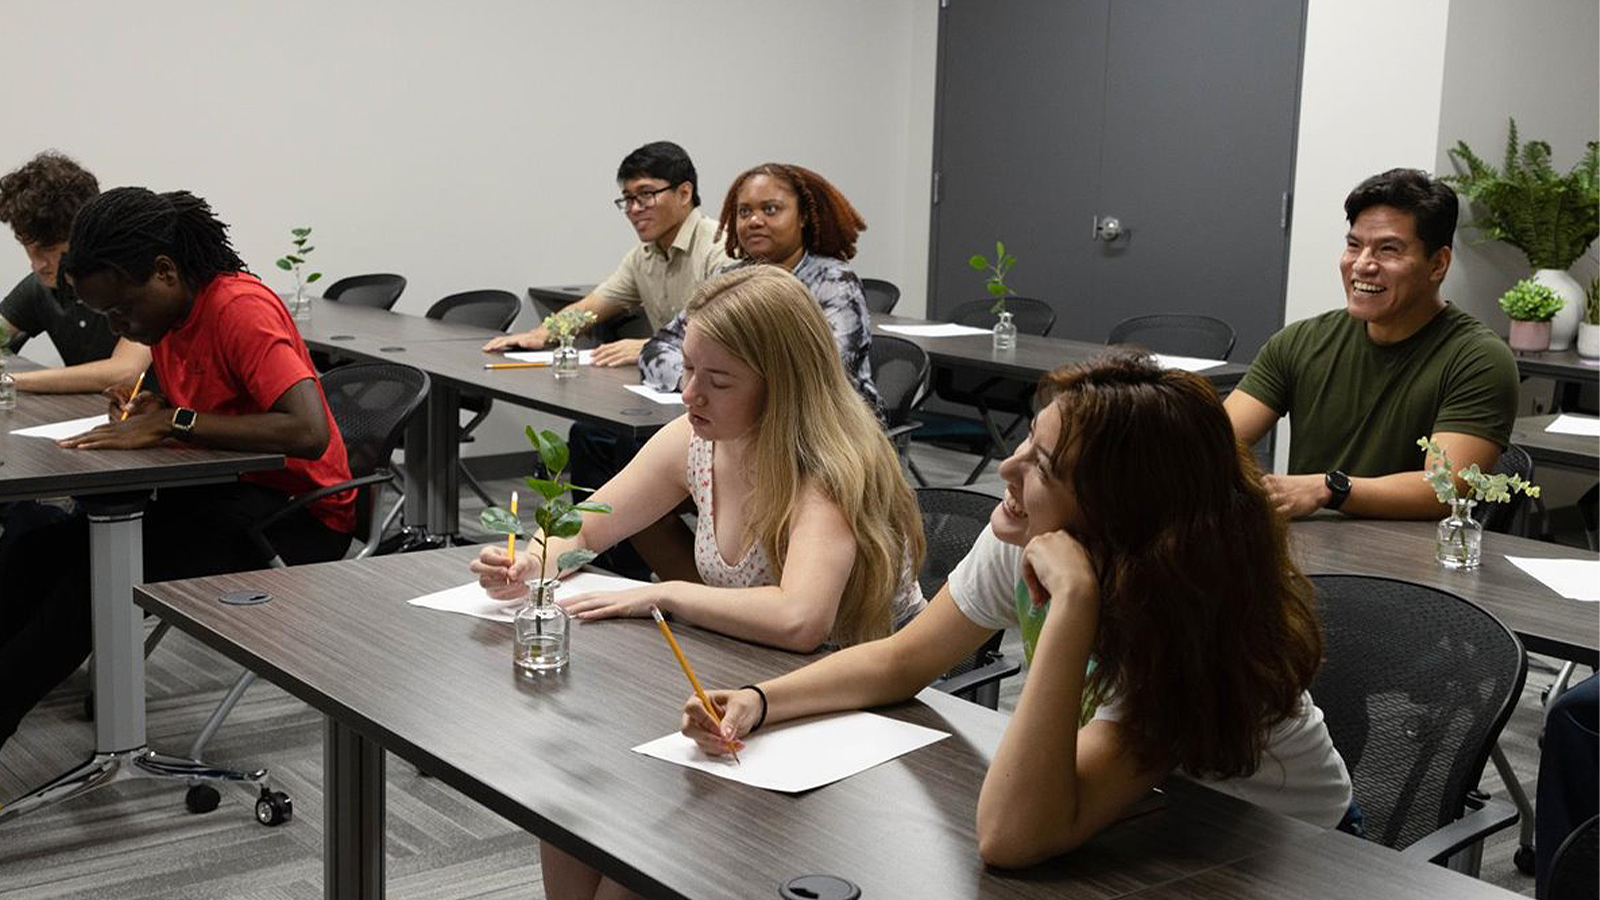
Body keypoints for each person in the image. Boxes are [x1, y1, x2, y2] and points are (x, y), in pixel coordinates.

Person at [683, 354, 1353, 870]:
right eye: (1027, 442)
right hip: (1156, 820)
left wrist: (1073, 607)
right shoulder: (1033, 527)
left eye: (1043, 465)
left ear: (1116, 508)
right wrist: (757, 702)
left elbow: (1011, 837)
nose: (1007, 468)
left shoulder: (1184, 627)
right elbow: (902, 658)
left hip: (1288, 859)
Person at [472, 265, 925, 900]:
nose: (690, 394)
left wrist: (665, 592)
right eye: (686, 369)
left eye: (717, 381)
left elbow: (802, 620)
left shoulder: (825, 464)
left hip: (851, 706)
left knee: (639, 850)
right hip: (746, 677)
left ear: (782, 386)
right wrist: (529, 561)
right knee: (569, 806)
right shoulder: (699, 438)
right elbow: (585, 527)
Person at [0, 187, 356, 749]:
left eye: (121, 310)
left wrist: (175, 423)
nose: (121, 326)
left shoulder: (240, 308)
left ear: (164, 271)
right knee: (33, 554)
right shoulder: (167, 318)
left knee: (89, 581)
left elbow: (308, 432)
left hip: (296, 514)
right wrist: (153, 406)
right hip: (223, 490)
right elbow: (202, 402)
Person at [1226, 168, 1518, 519]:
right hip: (1307, 551)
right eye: (1354, 245)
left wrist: (1328, 488)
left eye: (1388, 250)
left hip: (1406, 562)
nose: (1362, 265)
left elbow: (1445, 489)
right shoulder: (1300, 342)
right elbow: (1214, 445)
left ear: (1438, 264)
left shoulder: (1478, 358)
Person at [639, 162, 882, 415]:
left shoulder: (834, 283)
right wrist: (697, 382)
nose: (754, 221)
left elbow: (827, 376)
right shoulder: (730, 278)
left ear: (803, 217)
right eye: (744, 212)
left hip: (832, 429)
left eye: (770, 209)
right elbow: (656, 349)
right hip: (739, 422)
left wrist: (727, 386)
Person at [484, 141, 728, 367]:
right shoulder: (641, 257)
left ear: (684, 194)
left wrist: (649, 346)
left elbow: (722, 333)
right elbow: (591, 307)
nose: (634, 209)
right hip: (669, 380)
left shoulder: (720, 247)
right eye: (628, 199)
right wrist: (538, 335)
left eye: (646, 195)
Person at [0, 151, 151, 392]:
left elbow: (127, 371)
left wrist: (13, 381)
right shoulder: (40, 286)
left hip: (150, 419)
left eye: (48, 250)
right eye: (29, 249)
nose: (37, 264)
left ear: (82, 235)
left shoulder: (136, 282)